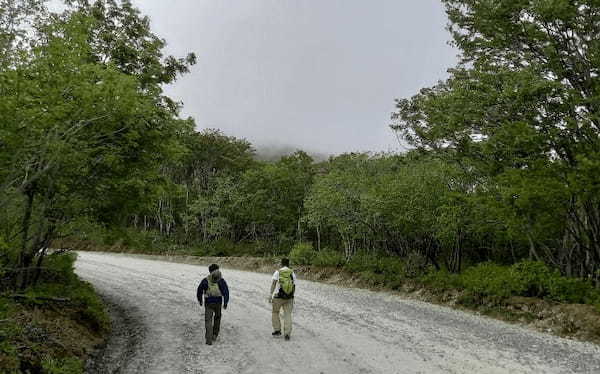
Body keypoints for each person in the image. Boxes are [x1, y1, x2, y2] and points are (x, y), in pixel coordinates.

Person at [197, 263, 229, 345]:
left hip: (208, 303)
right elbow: (226, 292)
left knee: (208, 320)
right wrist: (225, 302)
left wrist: (200, 300)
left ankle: (208, 339)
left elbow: (199, 290)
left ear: (210, 271)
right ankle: (215, 335)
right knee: (217, 318)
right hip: (218, 303)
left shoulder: (205, 280)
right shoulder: (221, 280)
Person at [269, 258, 296, 341]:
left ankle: (277, 330)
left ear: (281, 263)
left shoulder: (278, 272)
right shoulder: (292, 273)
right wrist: (292, 296)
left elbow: (274, 283)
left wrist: (270, 294)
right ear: (288, 264)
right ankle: (287, 334)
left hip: (279, 297)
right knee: (287, 314)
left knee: (275, 312)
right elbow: (294, 286)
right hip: (289, 297)